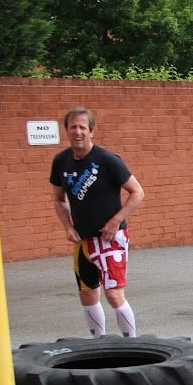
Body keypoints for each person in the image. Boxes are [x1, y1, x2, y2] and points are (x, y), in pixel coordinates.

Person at [50, 107, 145, 337]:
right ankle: (98, 342)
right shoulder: (61, 161)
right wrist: (68, 226)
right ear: (67, 130)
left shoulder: (107, 160)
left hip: (110, 239)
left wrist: (116, 221)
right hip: (83, 241)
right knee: (88, 293)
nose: (78, 131)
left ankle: (131, 344)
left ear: (91, 131)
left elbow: (137, 192)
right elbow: (58, 199)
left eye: (83, 127)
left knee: (114, 295)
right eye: (73, 127)